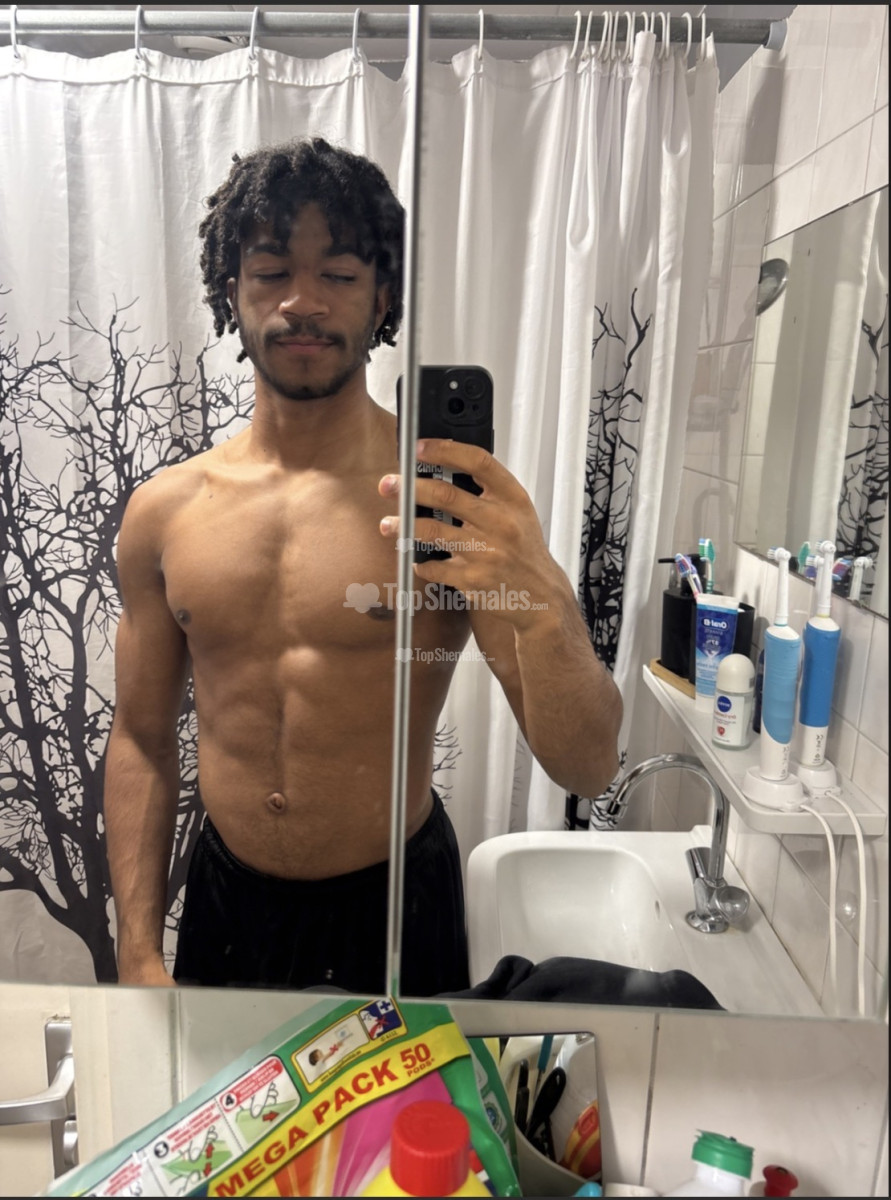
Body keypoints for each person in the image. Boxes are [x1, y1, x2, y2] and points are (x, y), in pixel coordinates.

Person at [104, 137, 622, 997]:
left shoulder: (449, 502)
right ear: (231, 292)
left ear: (382, 297)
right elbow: (141, 740)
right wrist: (135, 953)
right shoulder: (167, 511)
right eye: (271, 271)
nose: (302, 301)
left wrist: (541, 595)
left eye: (338, 274)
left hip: (397, 902)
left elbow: (588, 766)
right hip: (229, 902)